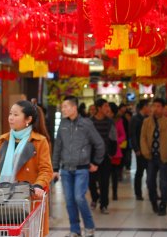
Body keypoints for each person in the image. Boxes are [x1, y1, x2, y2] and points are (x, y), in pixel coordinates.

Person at [0, 100, 53, 236]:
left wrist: (38, 185)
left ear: (28, 119)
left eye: (16, 115)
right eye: (10, 114)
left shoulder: (39, 141)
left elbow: (46, 170)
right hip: (2, 198)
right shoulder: (3, 140)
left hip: (27, 198)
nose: (11, 118)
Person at [52, 96, 105, 237]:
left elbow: (99, 144)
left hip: (82, 169)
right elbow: (57, 147)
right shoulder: (62, 124)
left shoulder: (86, 124)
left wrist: (96, 162)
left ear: (74, 108)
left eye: (65, 107)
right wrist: (55, 168)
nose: (63, 109)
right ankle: (75, 230)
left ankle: (89, 227)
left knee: (79, 198)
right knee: (69, 201)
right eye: (62, 107)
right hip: (66, 169)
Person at [140, 98, 167, 216]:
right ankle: (153, 202)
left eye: (158, 106)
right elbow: (143, 138)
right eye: (154, 106)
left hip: (164, 157)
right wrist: (146, 152)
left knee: (163, 183)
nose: (156, 108)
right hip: (151, 157)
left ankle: (163, 206)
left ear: (163, 108)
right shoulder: (146, 122)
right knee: (150, 181)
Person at [88, 98, 116, 214]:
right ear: (99, 108)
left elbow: (113, 138)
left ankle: (104, 205)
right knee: (91, 180)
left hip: (105, 156)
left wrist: (111, 153)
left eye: (108, 106)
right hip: (92, 156)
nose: (108, 109)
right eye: (105, 106)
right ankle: (95, 197)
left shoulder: (110, 122)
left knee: (104, 182)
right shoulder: (90, 122)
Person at [130, 99, 150, 200]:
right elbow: (133, 135)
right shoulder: (135, 119)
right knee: (140, 171)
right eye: (148, 106)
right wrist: (136, 148)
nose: (150, 108)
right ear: (144, 107)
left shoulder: (148, 118)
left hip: (148, 149)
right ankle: (138, 193)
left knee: (151, 171)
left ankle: (152, 192)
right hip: (140, 149)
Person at [108, 102, 126, 200]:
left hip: (115, 151)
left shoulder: (119, 121)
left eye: (110, 112)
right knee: (105, 175)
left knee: (114, 174)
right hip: (104, 151)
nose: (108, 113)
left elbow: (123, 135)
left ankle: (114, 193)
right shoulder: (103, 121)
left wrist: (115, 141)